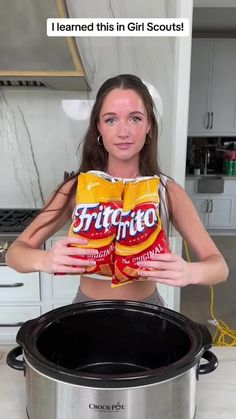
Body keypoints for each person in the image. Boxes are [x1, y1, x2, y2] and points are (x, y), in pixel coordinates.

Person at [6, 74, 228, 306]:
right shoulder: (74, 189)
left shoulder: (167, 192)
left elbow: (219, 267)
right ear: (98, 127)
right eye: (111, 120)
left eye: (134, 118)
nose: (123, 131)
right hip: (87, 311)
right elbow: (15, 254)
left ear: (149, 124)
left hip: (149, 312)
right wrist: (44, 259)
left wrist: (190, 272)